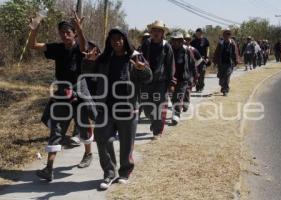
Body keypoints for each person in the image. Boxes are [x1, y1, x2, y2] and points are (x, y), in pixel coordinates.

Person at [82, 27, 152, 190]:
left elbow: (149, 77)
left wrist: (143, 69)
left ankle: (125, 172)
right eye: (113, 39)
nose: (116, 41)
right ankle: (109, 172)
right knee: (101, 138)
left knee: (127, 143)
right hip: (105, 107)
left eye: (120, 38)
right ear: (109, 42)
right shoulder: (104, 58)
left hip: (127, 109)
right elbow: (87, 74)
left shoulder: (135, 57)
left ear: (125, 40)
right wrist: (88, 62)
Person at [28, 12, 95, 181]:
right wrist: (34, 30)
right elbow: (33, 45)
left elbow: (84, 47)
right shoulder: (56, 48)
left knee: (83, 125)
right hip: (61, 93)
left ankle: (88, 154)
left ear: (73, 33)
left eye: (68, 32)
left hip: (79, 92)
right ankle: (49, 168)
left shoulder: (80, 48)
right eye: (62, 32)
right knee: (56, 129)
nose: (65, 35)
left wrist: (80, 29)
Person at [140, 20, 176, 139]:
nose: (156, 33)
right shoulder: (145, 44)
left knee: (159, 106)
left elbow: (170, 65)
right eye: (154, 30)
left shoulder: (167, 46)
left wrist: (171, 82)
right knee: (146, 107)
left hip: (161, 81)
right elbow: (139, 60)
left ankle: (157, 131)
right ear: (150, 32)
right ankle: (154, 122)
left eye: (159, 31)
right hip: (146, 81)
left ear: (162, 33)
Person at [170, 32, 194, 125]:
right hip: (171, 79)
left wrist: (193, 76)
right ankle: (175, 109)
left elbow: (192, 64)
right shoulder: (169, 50)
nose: (176, 42)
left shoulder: (186, 50)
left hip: (183, 79)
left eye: (178, 40)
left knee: (179, 97)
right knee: (172, 97)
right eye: (174, 40)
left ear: (181, 41)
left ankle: (176, 115)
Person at [213, 29, 239, 96]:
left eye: (228, 34)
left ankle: (225, 90)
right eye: (225, 34)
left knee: (227, 76)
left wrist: (236, 61)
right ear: (223, 35)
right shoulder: (220, 43)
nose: (227, 36)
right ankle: (223, 86)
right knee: (221, 78)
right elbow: (216, 53)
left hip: (229, 64)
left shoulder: (232, 43)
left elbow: (235, 53)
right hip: (221, 64)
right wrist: (215, 62)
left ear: (230, 35)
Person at [183, 33, 201, 112]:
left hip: (190, 72)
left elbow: (199, 59)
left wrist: (194, 66)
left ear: (190, 40)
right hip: (181, 73)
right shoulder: (180, 49)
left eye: (188, 39)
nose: (186, 41)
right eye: (185, 39)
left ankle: (186, 103)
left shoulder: (193, 50)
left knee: (187, 89)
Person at [190, 28, 210, 92]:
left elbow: (207, 49)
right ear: (196, 33)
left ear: (202, 33)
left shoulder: (205, 40)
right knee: (196, 74)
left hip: (203, 59)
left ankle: (201, 86)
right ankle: (197, 86)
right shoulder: (193, 41)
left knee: (202, 73)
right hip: (195, 60)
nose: (199, 34)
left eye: (200, 32)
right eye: (198, 32)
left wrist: (207, 57)